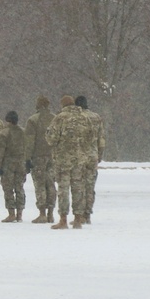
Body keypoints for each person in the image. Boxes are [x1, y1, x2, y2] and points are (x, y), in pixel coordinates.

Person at [45, 95, 96, 229]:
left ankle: (63, 219)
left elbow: (51, 139)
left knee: (63, 189)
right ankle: (78, 219)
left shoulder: (60, 118)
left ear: (63, 105)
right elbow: (91, 138)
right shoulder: (85, 118)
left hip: (63, 160)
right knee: (78, 188)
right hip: (80, 159)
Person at [23, 95, 56, 223]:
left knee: (40, 184)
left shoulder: (33, 120)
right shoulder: (55, 119)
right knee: (51, 184)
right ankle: (51, 213)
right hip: (52, 156)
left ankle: (42, 212)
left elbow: (29, 141)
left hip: (38, 156)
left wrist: (27, 158)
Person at [75, 95, 106, 225]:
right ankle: (88, 214)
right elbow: (101, 140)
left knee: (79, 185)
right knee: (90, 185)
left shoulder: (76, 118)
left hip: (79, 155)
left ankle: (80, 214)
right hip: (93, 155)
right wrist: (99, 155)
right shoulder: (96, 117)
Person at [0, 111, 29, 223]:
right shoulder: (23, 132)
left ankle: (11, 213)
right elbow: (27, 148)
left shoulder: (4, 133)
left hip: (8, 163)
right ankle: (20, 213)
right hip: (21, 162)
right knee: (19, 187)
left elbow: (0, 151)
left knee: (8, 188)